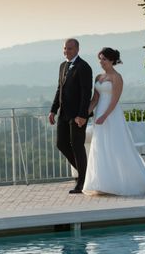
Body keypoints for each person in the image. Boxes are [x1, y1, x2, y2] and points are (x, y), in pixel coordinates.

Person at [83, 47, 145, 195]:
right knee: (100, 147)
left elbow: (114, 101)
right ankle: (102, 183)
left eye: (103, 59)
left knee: (115, 147)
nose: (101, 62)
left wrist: (104, 116)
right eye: (100, 59)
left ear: (111, 60)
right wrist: (86, 114)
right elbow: (95, 99)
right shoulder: (98, 78)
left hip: (112, 116)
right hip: (99, 116)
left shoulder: (117, 78)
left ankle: (120, 182)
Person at [49, 38, 93, 194]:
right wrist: (53, 110)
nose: (66, 51)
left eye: (70, 48)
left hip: (77, 116)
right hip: (63, 114)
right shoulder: (63, 66)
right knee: (61, 144)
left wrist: (82, 115)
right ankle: (86, 174)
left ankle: (82, 182)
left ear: (77, 50)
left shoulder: (84, 67)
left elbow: (86, 93)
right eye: (65, 48)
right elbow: (59, 89)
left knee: (77, 146)